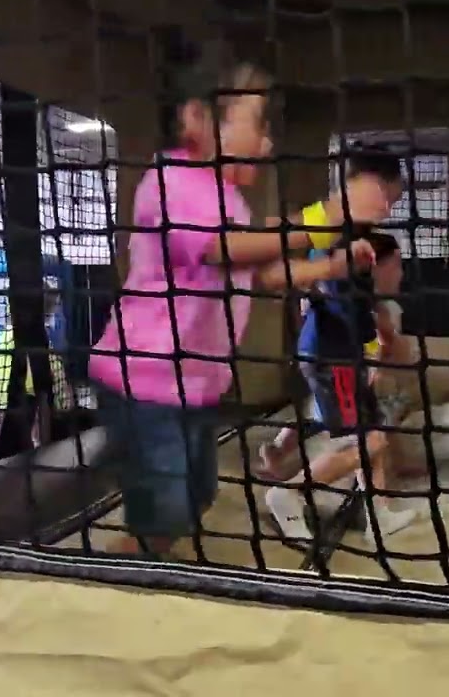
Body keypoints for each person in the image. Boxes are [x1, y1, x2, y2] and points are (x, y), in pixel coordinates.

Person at [87, 42, 395, 558]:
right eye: (256, 121)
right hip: (145, 378)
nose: (268, 140)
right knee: (165, 510)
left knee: (197, 497)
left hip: (192, 387)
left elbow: (264, 272)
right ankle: (115, 568)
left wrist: (330, 267)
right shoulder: (173, 182)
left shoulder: (227, 199)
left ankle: (136, 512)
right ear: (197, 119)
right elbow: (225, 249)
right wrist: (329, 214)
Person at [257, 147, 408, 479]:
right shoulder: (339, 240)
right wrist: (375, 342)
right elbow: (345, 306)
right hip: (331, 354)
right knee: (363, 437)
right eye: (386, 197)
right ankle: (294, 491)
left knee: (347, 422)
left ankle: (376, 502)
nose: (387, 209)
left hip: (325, 350)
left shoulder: (336, 235)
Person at [265, 230, 421, 542]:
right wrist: (383, 336)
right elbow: (376, 336)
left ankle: (378, 515)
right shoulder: (351, 291)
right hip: (332, 363)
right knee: (369, 441)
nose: (401, 273)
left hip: (337, 359)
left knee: (371, 430)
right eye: (396, 264)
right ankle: (290, 492)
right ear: (374, 264)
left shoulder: (351, 286)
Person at [0, 276, 73, 446]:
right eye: (51, 305)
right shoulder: (23, 338)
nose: (54, 309)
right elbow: (33, 386)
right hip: (31, 417)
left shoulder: (17, 335)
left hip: (22, 412)